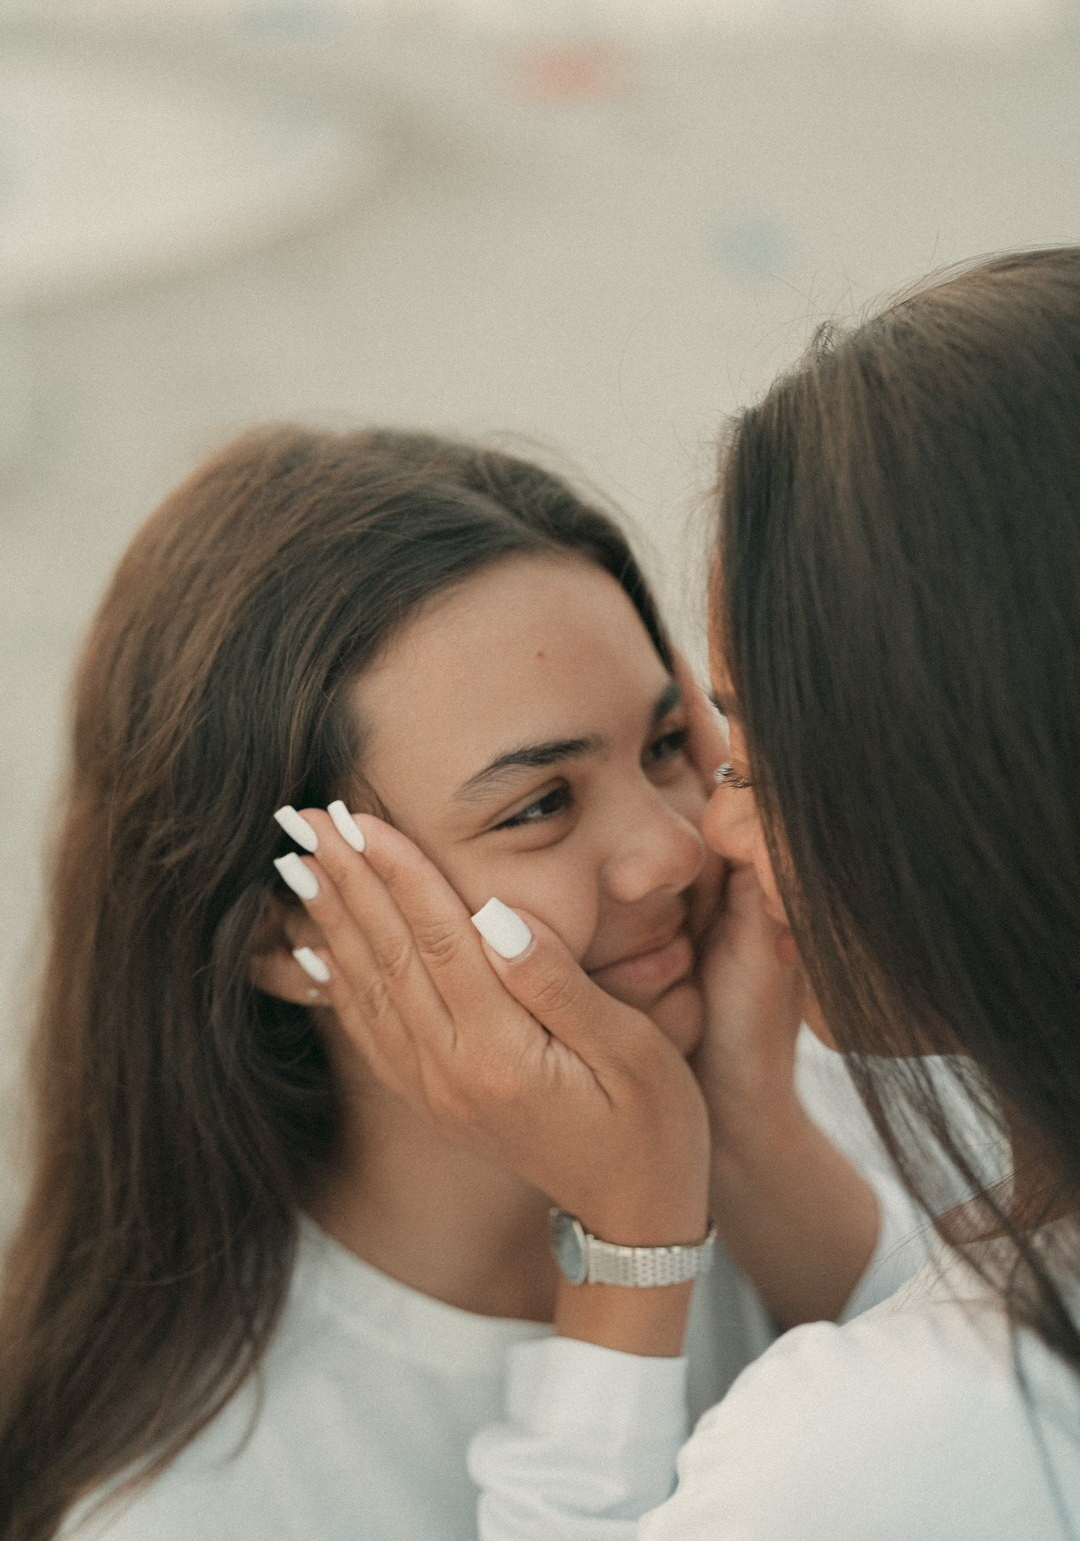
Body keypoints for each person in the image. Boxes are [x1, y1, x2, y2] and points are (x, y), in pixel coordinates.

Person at [279, 247, 1080, 1539]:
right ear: (291, 915)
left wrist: (635, 1247)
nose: (695, 842)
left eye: (719, 752)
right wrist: (742, 1130)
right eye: (540, 804)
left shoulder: (876, 1437)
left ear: (975, 768)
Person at [0, 427, 920, 1541]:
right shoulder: (198, 1501)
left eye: (666, 743)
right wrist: (633, 1247)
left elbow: (1011, 1435)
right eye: (539, 807)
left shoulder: (817, 1087)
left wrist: (750, 1127)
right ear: (286, 936)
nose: (673, 851)